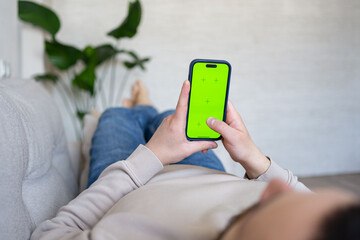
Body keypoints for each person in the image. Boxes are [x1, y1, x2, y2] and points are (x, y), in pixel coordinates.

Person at [31, 80, 360, 240]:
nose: (273, 185)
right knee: (173, 119)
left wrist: (155, 154)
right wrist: (253, 157)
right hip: (205, 170)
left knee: (116, 117)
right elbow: (304, 199)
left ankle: (137, 106)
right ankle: (148, 108)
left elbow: (51, 233)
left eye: (262, 206)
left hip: (127, 184)